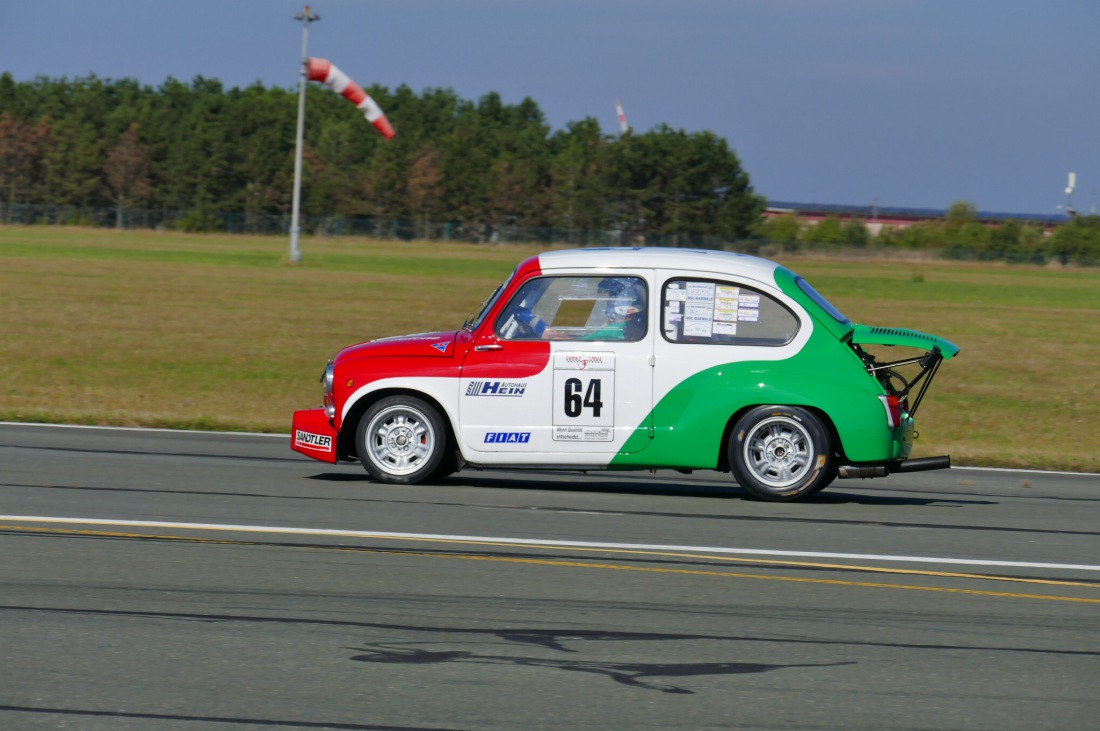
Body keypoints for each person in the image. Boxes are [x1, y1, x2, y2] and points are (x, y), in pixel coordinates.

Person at [515, 277, 647, 341]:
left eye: (612, 295)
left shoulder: (617, 330)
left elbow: (572, 344)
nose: (607, 300)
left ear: (624, 299)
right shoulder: (630, 325)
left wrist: (536, 324)